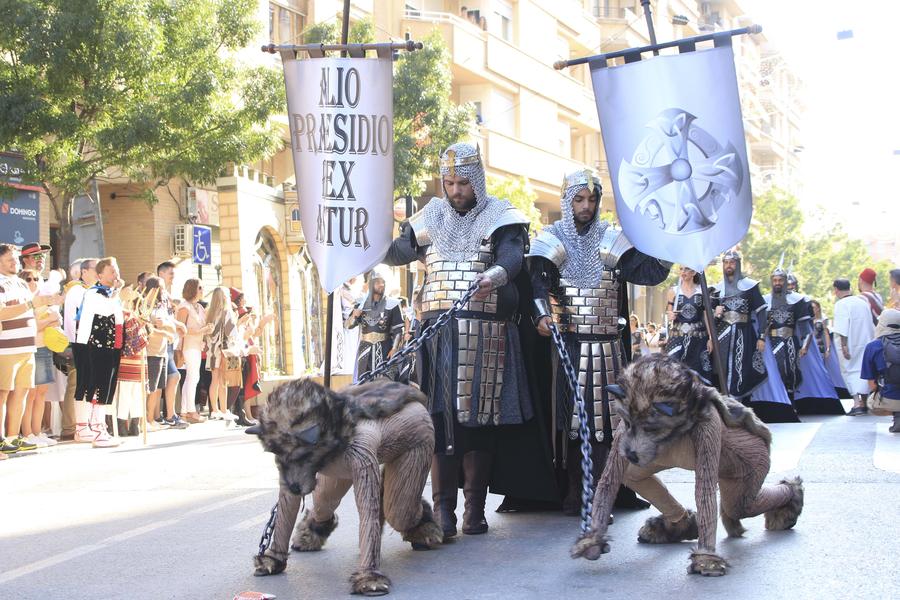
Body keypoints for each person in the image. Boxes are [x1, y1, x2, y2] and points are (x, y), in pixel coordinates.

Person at [382, 142, 534, 537]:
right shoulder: (432, 214)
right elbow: (400, 250)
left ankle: (474, 511)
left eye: (463, 182)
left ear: (477, 179)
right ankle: (444, 510)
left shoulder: (501, 214)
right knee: (439, 420)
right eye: (449, 182)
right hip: (438, 333)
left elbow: (512, 256)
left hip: (485, 331)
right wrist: (365, 246)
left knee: (478, 420)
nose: (455, 190)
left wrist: (495, 276)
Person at [527, 168, 670, 514]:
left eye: (591, 199)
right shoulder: (553, 238)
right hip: (571, 344)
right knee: (574, 420)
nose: (585, 206)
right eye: (578, 199)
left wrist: (667, 243)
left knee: (609, 420)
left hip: (608, 344)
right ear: (567, 200)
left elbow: (648, 272)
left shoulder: (612, 239)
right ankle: (576, 490)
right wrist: (542, 314)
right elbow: (537, 283)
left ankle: (611, 490)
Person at [0, 245, 63, 455]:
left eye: (16, 259)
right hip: (6, 349)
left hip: (27, 347)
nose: (15, 262)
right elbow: (2, 313)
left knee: (22, 393)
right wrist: (30, 304)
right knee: (3, 395)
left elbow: (32, 305)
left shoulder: (19, 282)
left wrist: (49, 301)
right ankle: (2, 439)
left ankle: (12, 438)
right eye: (10, 259)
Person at [74, 257, 125, 447]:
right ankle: (95, 428)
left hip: (113, 344)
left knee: (108, 385)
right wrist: (118, 294)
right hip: (97, 345)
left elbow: (118, 316)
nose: (116, 274)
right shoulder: (95, 293)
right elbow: (105, 311)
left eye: (117, 270)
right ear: (100, 274)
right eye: (112, 271)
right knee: (97, 385)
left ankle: (98, 426)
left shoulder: (112, 294)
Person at [18, 269, 61, 447]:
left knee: (41, 392)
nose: (34, 281)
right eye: (29, 279)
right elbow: (32, 326)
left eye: (36, 278)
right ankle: (27, 432)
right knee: (30, 393)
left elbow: (57, 320)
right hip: (30, 349)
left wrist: (47, 321)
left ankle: (37, 431)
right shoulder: (24, 303)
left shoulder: (43, 300)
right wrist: (47, 321)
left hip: (45, 347)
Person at [345, 269, 404, 382]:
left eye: (383, 282)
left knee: (386, 382)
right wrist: (354, 316)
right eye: (378, 282)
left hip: (385, 348)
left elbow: (398, 329)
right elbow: (348, 326)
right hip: (365, 348)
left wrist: (395, 348)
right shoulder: (360, 304)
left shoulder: (393, 304)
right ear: (371, 284)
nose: (381, 285)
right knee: (364, 383)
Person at [763, 261, 812, 397]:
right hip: (771, 342)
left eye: (780, 280)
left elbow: (806, 329)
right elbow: (762, 325)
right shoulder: (765, 300)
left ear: (785, 281)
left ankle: (792, 402)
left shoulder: (797, 300)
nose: (777, 283)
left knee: (791, 371)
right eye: (775, 280)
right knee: (775, 371)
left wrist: (805, 346)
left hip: (790, 340)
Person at [62, 258, 97, 441]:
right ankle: (71, 427)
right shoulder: (77, 290)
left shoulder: (88, 291)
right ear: (83, 272)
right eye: (95, 269)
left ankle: (84, 424)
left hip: (86, 344)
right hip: (79, 343)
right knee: (76, 385)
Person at [832, 278, 876, 415]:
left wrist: (844, 345)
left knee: (850, 370)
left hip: (850, 343)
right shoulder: (862, 302)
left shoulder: (841, 304)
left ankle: (857, 403)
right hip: (865, 342)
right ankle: (865, 401)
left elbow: (842, 327)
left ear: (836, 290)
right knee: (864, 370)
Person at [666, 266, 716, 384]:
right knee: (673, 369)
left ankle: (697, 400)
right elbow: (669, 312)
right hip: (678, 336)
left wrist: (710, 338)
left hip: (698, 338)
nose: (683, 272)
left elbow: (707, 316)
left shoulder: (702, 291)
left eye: (686, 269)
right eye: (681, 269)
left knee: (698, 373)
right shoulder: (673, 291)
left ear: (693, 272)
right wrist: (670, 315)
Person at [175, 278, 210, 423]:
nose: (202, 290)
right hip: (187, 346)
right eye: (200, 287)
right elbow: (181, 329)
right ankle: (190, 411)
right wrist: (202, 330)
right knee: (193, 377)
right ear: (193, 289)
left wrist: (207, 330)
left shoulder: (199, 307)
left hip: (197, 345)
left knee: (192, 378)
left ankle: (185, 410)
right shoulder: (184, 307)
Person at [861, 309, 900, 433]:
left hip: (889, 397)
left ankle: (897, 413)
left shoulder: (873, 346)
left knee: (871, 403)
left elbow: (871, 384)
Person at [204, 286, 240, 422]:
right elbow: (232, 334)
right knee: (223, 381)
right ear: (225, 297)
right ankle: (224, 410)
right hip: (224, 351)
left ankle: (215, 410)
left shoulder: (210, 313)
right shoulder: (227, 312)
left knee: (215, 381)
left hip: (212, 352)